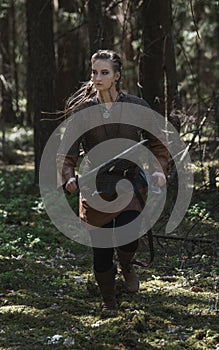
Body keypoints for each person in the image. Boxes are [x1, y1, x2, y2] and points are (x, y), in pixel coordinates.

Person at [56, 49, 168, 311]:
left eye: (104, 72)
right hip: (95, 187)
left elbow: (158, 143)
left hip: (130, 184)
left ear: (117, 76)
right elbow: (67, 151)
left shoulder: (137, 106)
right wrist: (69, 177)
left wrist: (159, 168)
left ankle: (127, 265)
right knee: (102, 249)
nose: (97, 77)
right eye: (94, 72)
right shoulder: (83, 111)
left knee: (129, 235)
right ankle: (109, 300)